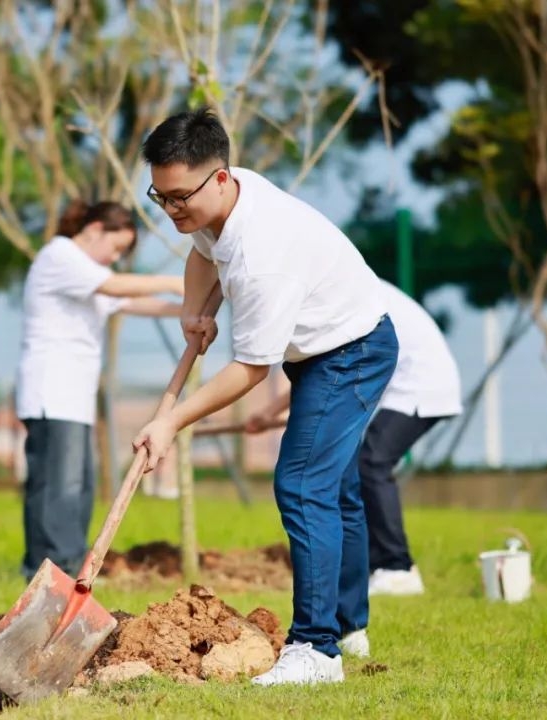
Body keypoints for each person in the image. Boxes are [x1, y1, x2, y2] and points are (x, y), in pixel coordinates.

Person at [132, 108, 398, 685]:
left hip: (350, 352)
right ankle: (348, 628)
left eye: (182, 197)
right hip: (325, 349)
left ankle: (316, 650)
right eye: (161, 197)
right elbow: (203, 254)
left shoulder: (262, 257)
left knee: (302, 485)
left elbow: (251, 370)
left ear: (219, 177)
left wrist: (171, 421)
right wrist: (191, 310)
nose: (174, 210)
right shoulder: (222, 199)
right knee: (337, 491)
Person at [245, 279, 462, 598]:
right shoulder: (349, 288)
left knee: (371, 464)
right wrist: (268, 414)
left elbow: (327, 372)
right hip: (413, 382)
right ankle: (382, 565)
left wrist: (269, 413)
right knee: (362, 466)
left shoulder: (345, 295)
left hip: (421, 383)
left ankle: (397, 567)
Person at [16, 199, 183, 582]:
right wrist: (175, 282)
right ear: (94, 229)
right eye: (116, 247)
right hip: (50, 393)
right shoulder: (61, 256)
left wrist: (189, 309)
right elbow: (115, 285)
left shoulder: (87, 272)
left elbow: (132, 301)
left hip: (74, 397)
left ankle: (66, 567)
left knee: (80, 485)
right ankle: (52, 570)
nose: (115, 257)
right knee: (59, 486)